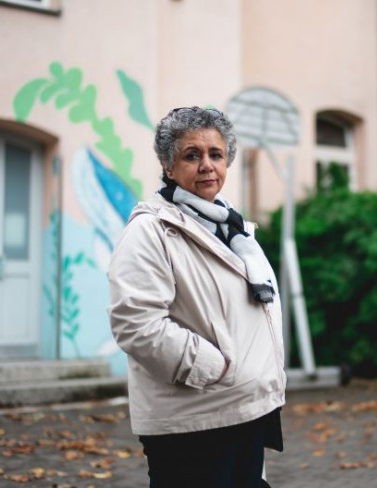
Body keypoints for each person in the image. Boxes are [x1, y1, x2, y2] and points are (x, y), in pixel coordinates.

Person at [108, 106, 286, 487]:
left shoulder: (233, 228)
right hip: (193, 421)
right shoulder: (151, 231)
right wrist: (215, 368)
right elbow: (135, 324)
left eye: (216, 154)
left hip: (245, 410)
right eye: (192, 155)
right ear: (168, 166)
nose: (207, 165)